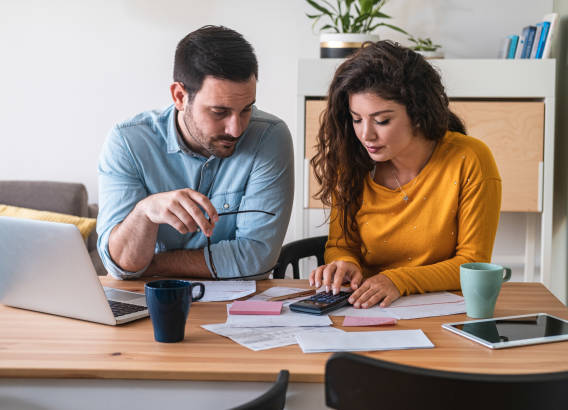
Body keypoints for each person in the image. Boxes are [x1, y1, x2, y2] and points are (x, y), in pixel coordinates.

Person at [309, 41, 501, 308]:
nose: (366, 134)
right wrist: (345, 264)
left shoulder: (469, 159)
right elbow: (341, 245)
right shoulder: (351, 161)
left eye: (382, 120)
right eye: (356, 119)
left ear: (418, 114)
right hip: (365, 307)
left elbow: (471, 262)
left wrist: (398, 281)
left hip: (443, 312)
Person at [97, 26, 294, 280]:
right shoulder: (128, 142)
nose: (236, 129)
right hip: (148, 304)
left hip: (236, 308)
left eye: (246, 109)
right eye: (219, 112)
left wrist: (150, 265)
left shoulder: (269, 137)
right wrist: (144, 213)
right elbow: (120, 264)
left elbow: (256, 258)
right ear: (179, 96)